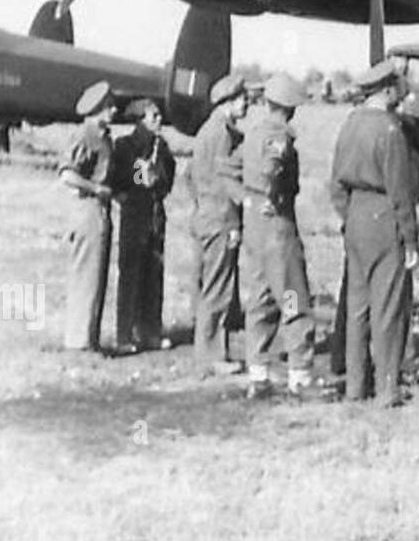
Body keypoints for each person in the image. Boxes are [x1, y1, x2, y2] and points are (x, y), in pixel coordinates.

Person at [329, 60, 419, 406]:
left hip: (355, 217)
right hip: (384, 219)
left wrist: (348, 217)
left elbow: (336, 183)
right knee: (388, 308)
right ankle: (387, 388)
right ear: (386, 90)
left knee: (357, 307)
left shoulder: (350, 124)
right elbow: (401, 191)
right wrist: (410, 238)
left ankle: (355, 387)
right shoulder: (390, 130)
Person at [240, 73, 324, 400]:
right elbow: (272, 168)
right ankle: (300, 374)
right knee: (292, 296)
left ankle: (258, 372)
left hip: (256, 227)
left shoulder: (253, 134)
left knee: (261, 297)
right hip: (277, 226)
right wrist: (274, 195)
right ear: (289, 108)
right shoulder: (279, 137)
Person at [189, 74, 249, 373]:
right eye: (242, 98)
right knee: (219, 287)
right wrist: (234, 222)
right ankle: (211, 358)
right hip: (220, 218)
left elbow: (192, 178)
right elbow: (225, 180)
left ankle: (210, 353)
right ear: (229, 102)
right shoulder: (223, 134)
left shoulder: (206, 131)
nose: (247, 102)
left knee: (209, 284)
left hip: (205, 216)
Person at [110, 99, 175, 354]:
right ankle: (125, 336)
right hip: (134, 217)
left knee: (154, 276)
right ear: (139, 120)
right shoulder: (125, 146)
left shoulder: (163, 147)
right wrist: (136, 183)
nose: (159, 120)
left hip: (155, 217)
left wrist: (157, 178)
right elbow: (118, 180)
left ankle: (151, 333)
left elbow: (167, 181)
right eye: (153, 116)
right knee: (130, 277)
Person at [57, 81, 116, 352]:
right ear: (98, 109)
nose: (114, 110)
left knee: (96, 277)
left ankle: (88, 339)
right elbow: (67, 174)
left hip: (100, 210)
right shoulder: (84, 135)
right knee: (85, 275)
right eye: (109, 105)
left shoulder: (104, 136)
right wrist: (96, 188)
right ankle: (78, 341)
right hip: (87, 209)